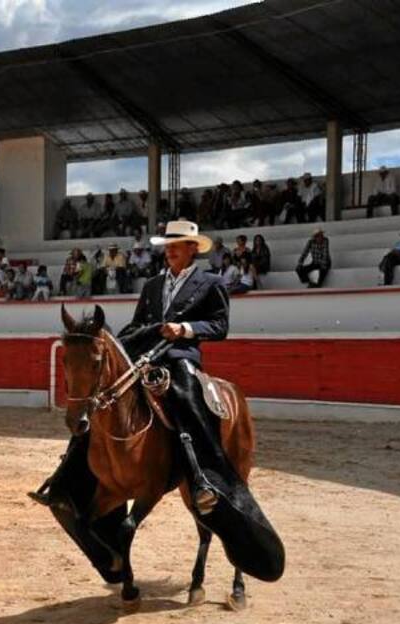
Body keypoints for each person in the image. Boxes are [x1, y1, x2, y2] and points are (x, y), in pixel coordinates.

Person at [33, 218, 282, 584]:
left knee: (186, 398)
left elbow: (220, 325)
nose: (169, 251)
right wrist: (117, 347)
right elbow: (135, 328)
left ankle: (199, 478)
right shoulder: (152, 285)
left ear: (193, 249)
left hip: (181, 358)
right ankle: (65, 476)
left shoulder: (210, 284)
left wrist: (186, 330)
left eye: (176, 245)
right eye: (167, 246)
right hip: (146, 356)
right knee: (102, 401)